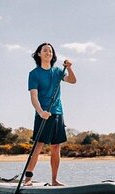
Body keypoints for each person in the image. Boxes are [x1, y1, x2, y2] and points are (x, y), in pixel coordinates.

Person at [24, 42, 77, 186]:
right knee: (38, 146)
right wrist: (41, 112)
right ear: (39, 54)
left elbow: (72, 81)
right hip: (43, 114)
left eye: (51, 51)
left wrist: (70, 68)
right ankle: (28, 179)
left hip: (58, 113)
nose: (48, 53)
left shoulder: (58, 71)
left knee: (56, 147)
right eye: (45, 51)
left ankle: (54, 180)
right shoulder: (34, 74)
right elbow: (33, 97)